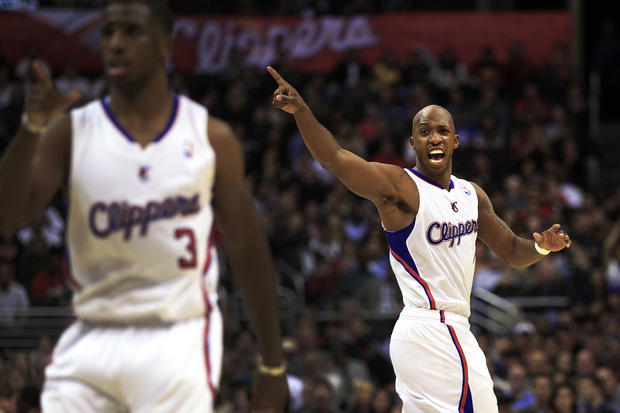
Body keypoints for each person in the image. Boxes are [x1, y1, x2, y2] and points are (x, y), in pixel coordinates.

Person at [0, 1, 288, 411]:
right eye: (109, 32)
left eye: (132, 32)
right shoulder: (70, 133)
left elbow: (248, 250)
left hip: (177, 338)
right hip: (92, 335)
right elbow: (8, 218)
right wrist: (30, 129)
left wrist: (272, 363)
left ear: (166, 44)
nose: (117, 43)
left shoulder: (210, 136)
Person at [267, 66, 571, 412]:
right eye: (424, 132)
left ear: (456, 141)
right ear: (413, 143)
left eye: (443, 131)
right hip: (432, 327)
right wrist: (303, 113)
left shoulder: (473, 195)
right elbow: (336, 159)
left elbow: (513, 252)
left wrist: (543, 245)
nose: (435, 138)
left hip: (444, 330)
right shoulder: (400, 187)